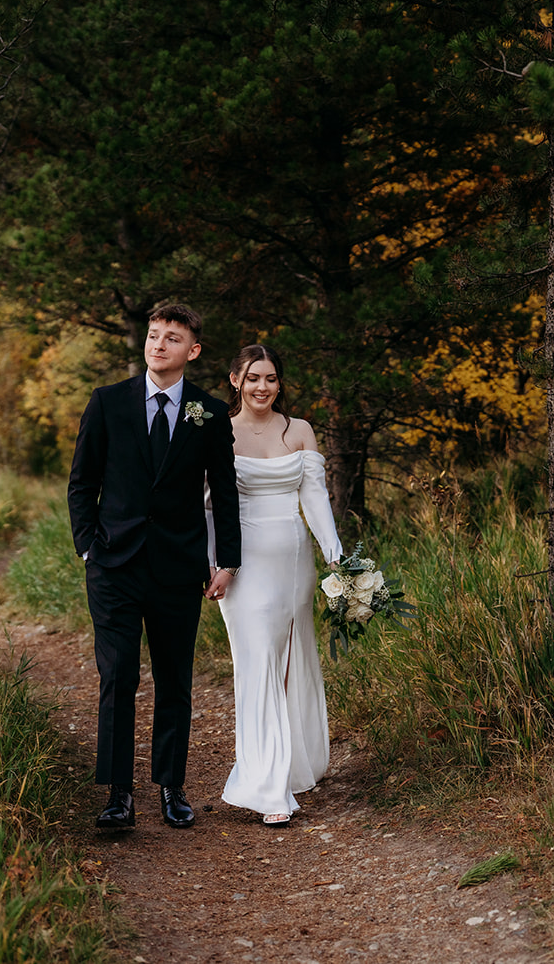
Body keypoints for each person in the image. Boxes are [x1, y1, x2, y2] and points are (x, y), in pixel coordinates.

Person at [67, 303, 241, 831]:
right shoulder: (108, 402)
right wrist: (88, 547)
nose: (158, 344)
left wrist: (227, 561)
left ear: (193, 350)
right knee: (117, 676)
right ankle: (118, 794)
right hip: (113, 565)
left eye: (172, 338)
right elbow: (82, 482)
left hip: (178, 567)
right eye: (153, 335)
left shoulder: (209, 413)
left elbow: (225, 494)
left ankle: (171, 786)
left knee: (174, 678)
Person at [213, 344, 341, 827]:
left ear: (279, 383)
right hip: (242, 565)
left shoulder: (299, 430)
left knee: (290, 661)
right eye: (252, 378)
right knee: (258, 663)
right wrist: (214, 563)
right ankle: (265, 787)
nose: (261, 387)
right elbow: (208, 504)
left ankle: (291, 766)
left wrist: (336, 557)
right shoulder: (219, 431)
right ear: (235, 380)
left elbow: (315, 497)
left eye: (269, 378)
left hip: (294, 563)